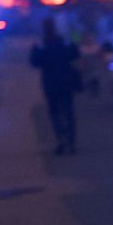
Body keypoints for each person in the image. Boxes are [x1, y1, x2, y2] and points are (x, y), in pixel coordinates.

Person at [30, 18, 81, 155]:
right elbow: (75, 54)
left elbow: (34, 62)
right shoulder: (65, 41)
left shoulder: (41, 44)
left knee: (55, 113)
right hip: (66, 81)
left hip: (50, 83)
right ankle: (71, 142)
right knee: (69, 111)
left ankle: (61, 139)